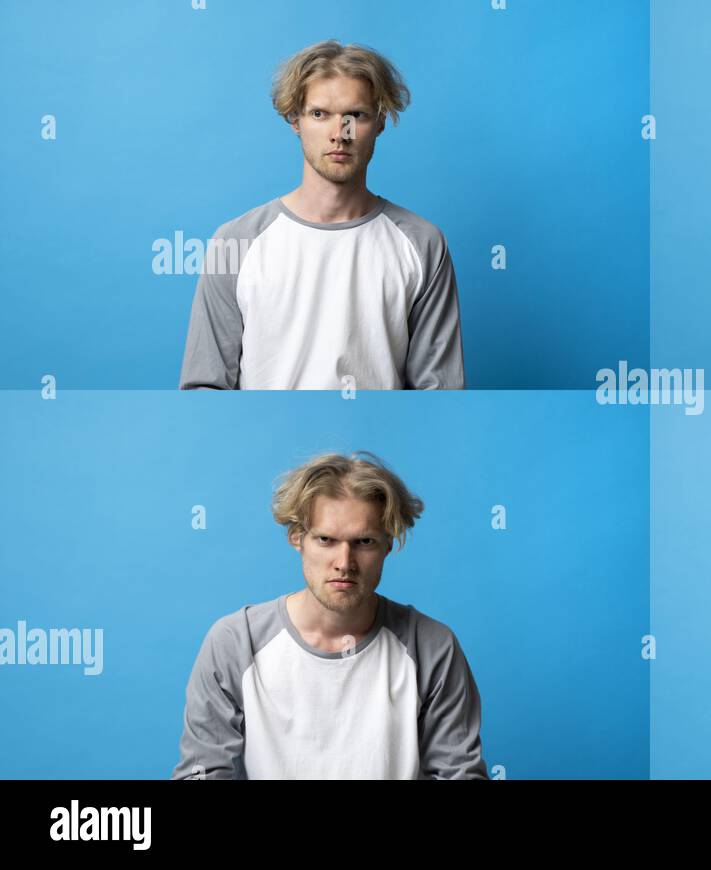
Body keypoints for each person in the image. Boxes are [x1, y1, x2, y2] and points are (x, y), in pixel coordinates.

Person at [172, 452, 486, 779]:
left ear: (387, 545)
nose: (344, 562)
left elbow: (459, 774)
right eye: (326, 539)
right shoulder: (236, 642)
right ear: (297, 538)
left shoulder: (432, 647)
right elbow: (202, 773)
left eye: (364, 541)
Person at [180, 40, 464, 390]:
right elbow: (205, 389)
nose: (339, 134)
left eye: (356, 115)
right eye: (320, 114)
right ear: (294, 120)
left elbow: (439, 394)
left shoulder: (423, 244)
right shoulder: (235, 241)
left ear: (380, 122)